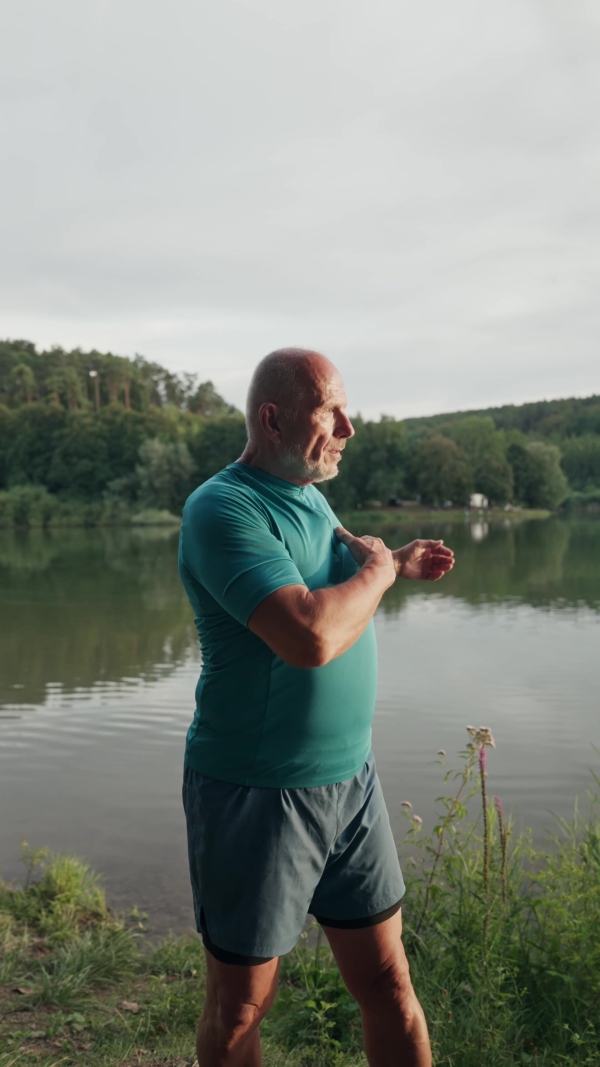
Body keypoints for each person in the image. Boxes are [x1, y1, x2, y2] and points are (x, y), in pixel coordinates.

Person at [179, 348, 454, 1067]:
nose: (350, 427)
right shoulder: (222, 507)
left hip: (350, 784)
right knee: (239, 1008)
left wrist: (394, 559)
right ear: (273, 418)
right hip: (256, 790)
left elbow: (338, 582)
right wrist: (381, 570)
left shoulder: (310, 495)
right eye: (332, 408)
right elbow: (309, 632)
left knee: (389, 980)